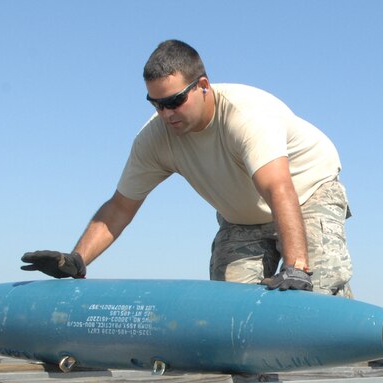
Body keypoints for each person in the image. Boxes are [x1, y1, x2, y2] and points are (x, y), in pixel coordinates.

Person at [21, 39, 353, 296]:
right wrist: (77, 261)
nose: (166, 113)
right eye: (156, 103)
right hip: (241, 217)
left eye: (174, 101)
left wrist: (295, 267)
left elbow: (278, 188)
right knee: (229, 308)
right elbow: (120, 206)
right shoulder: (156, 138)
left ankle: (347, 311)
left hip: (307, 195)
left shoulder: (245, 116)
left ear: (203, 86)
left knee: (311, 293)